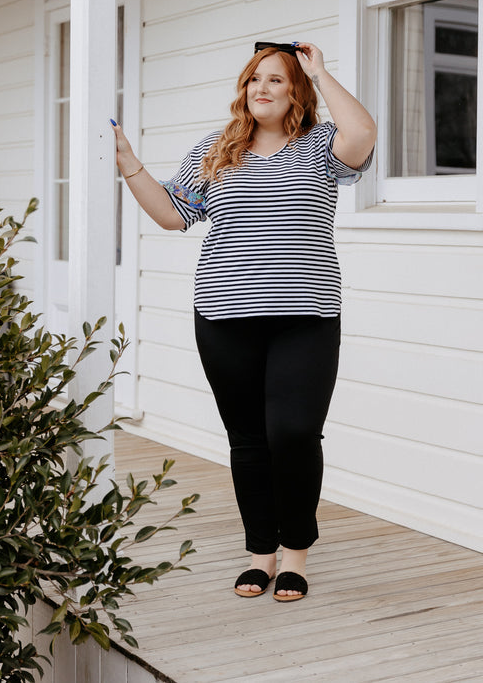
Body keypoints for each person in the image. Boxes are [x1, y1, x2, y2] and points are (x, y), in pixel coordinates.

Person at [111, 41, 376, 602]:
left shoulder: (322, 146)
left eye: (276, 80)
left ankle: (297, 551)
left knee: (294, 432)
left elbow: (363, 135)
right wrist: (130, 164)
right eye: (255, 79)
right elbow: (171, 215)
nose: (261, 88)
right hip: (225, 316)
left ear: (296, 90)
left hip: (306, 316)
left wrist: (320, 72)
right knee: (249, 439)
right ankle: (261, 552)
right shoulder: (218, 149)